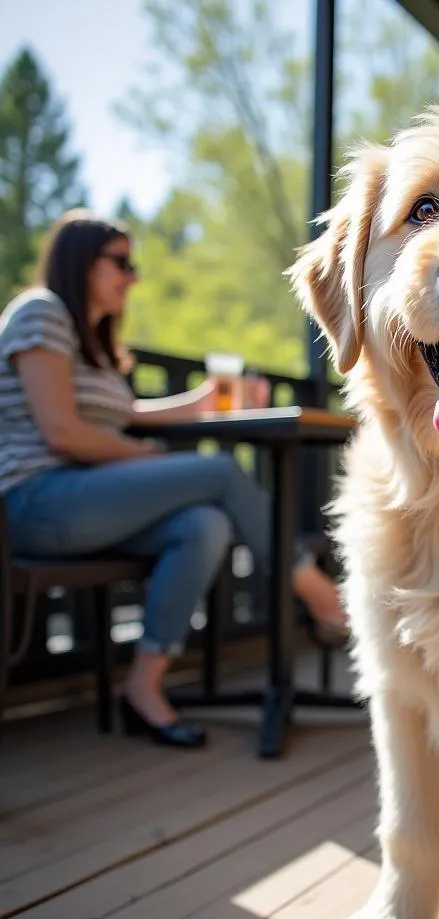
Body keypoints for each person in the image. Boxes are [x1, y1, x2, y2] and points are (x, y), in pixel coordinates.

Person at [0, 209, 349, 748]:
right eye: (121, 262)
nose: (132, 276)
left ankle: (144, 687)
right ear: (80, 262)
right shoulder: (40, 313)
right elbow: (63, 432)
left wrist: (205, 402)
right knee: (219, 472)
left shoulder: (92, 343)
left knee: (203, 525)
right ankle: (320, 596)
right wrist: (151, 459)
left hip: (86, 504)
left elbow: (133, 413)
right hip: (35, 503)